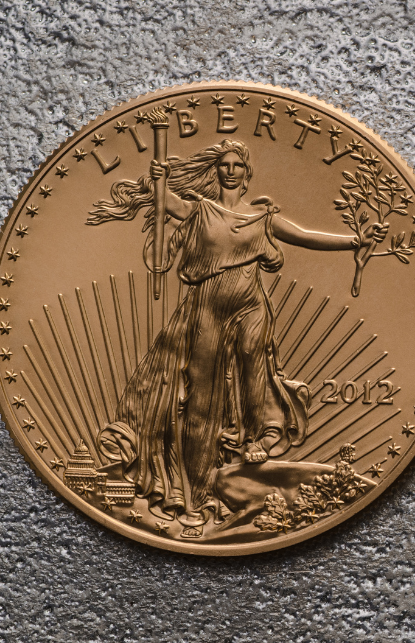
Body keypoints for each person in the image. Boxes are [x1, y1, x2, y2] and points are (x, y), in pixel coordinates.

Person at [85, 139, 380, 534]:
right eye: (223, 163)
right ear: (216, 170)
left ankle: (264, 435)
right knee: (202, 400)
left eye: (236, 164)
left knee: (252, 363)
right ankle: (196, 496)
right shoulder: (201, 211)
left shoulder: (262, 217)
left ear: (246, 172)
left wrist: (354, 242)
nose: (229, 170)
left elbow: (306, 235)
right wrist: (157, 182)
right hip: (206, 307)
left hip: (250, 305)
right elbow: (168, 202)